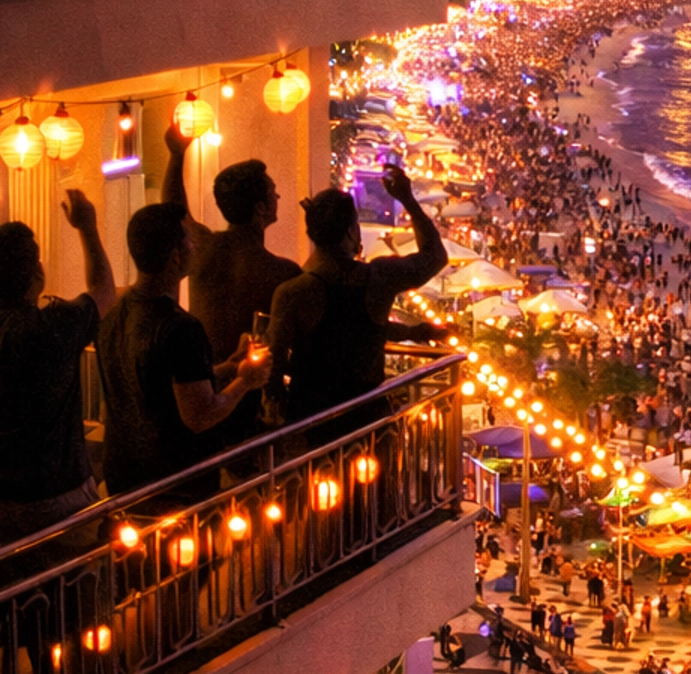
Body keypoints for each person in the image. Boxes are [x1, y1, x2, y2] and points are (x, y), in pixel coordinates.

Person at [0, 195, 116, 547]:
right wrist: (87, 227)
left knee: (5, 590)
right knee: (74, 589)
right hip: (54, 494)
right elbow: (104, 293)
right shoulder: (50, 327)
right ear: (37, 273)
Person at [96, 203, 270, 498]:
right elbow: (199, 415)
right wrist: (245, 382)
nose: (195, 245)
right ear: (176, 257)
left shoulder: (114, 313)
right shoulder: (181, 327)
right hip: (174, 483)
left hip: (123, 474)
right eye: (189, 239)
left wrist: (226, 369)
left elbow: (153, 383)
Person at [267, 165, 447, 426]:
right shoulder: (379, 277)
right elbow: (435, 256)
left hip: (309, 424)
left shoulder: (292, 292)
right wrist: (407, 199)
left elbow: (275, 366)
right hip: (366, 422)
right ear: (351, 231)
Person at [161, 131, 300, 367]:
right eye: (272, 191)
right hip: (250, 382)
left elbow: (173, 209)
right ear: (260, 208)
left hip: (203, 376)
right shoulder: (281, 272)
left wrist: (176, 155)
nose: (278, 195)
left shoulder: (203, 248)